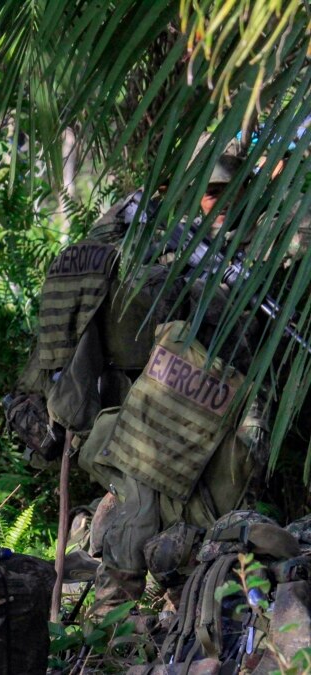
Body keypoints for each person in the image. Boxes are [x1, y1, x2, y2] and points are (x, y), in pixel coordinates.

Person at [77, 142, 273, 616]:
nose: (218, 202)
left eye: (228, 190)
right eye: (208, 191)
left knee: (217, 510)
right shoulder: (170, 245)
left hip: (232, 404)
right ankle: (112, 624)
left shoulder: (265, 244)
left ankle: (199, 612)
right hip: (170, 405)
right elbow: (127, 292)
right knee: (138, 516)